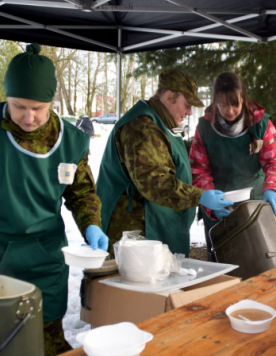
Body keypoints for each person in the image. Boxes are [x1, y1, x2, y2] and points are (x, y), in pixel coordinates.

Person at [0, 43, 109, 356]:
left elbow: (82, 194)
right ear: (6, 97)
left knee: (45, 346)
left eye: (38, 108)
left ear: (51, 102)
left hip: (44, 261)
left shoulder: (70, 141)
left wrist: (92, 225)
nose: (28, 117)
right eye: (18, 106)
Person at [96, 69, 233, 258]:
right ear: (169, 97)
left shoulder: (161, 123)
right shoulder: (143, 127)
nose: (189, 112)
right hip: (134, 232)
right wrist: (199, 197)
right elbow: (154, 182)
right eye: (186, 105)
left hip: (155, 225)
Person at [188, 72, 276, 262]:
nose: (230, 110)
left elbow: (275, 161)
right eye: (223, 104)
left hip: (256, 207)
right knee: (222, 266)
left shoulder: (261, 124)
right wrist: (209, 202)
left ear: (244, 98)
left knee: (260, 262)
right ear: (215, 101)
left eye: (235, 104)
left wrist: (273, 188)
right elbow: (198, 169)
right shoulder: (205, 128)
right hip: (219, 210)